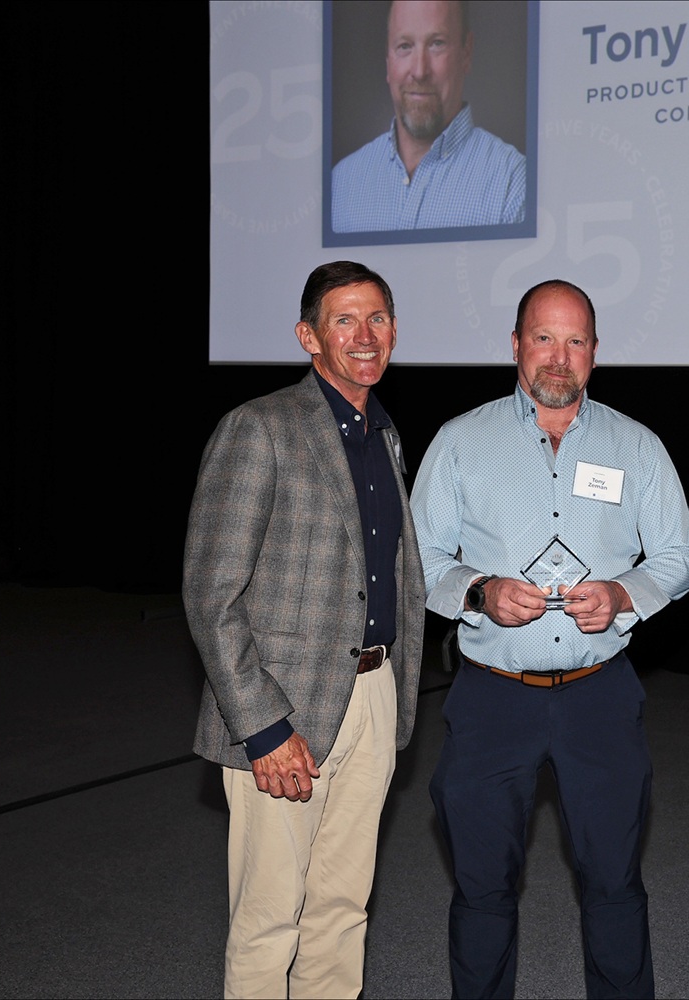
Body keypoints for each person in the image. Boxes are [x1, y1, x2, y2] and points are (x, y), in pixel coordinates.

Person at [409, 279, 689, 999]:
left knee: (613, 885)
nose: (558, 356)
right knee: (481, 889)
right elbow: (416, 559)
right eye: (544, 337)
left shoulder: (637, 445)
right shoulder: (459, 441)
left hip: (599, 699)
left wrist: (624, 594)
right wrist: (478, 591)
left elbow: (681, 556)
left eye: (575, 341)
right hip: (491, 700)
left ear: (595, 354)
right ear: (515, 345)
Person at [183, 261, 427, 999]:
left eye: (378, 318)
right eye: (344, 320)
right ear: (308, 336)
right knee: (268, 918)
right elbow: (209, 592)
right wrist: (261, 728)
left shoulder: (382, 435)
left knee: (342, 909)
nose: (364, 335)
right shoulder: (259, 428)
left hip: (373, 695)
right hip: (283, 711)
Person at [331, 0, 525, 233]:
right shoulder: (341, 182)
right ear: (387, 60)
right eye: (404, 46)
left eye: (437, 44)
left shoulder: (512, 181)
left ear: (466, 52)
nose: (420, 71)